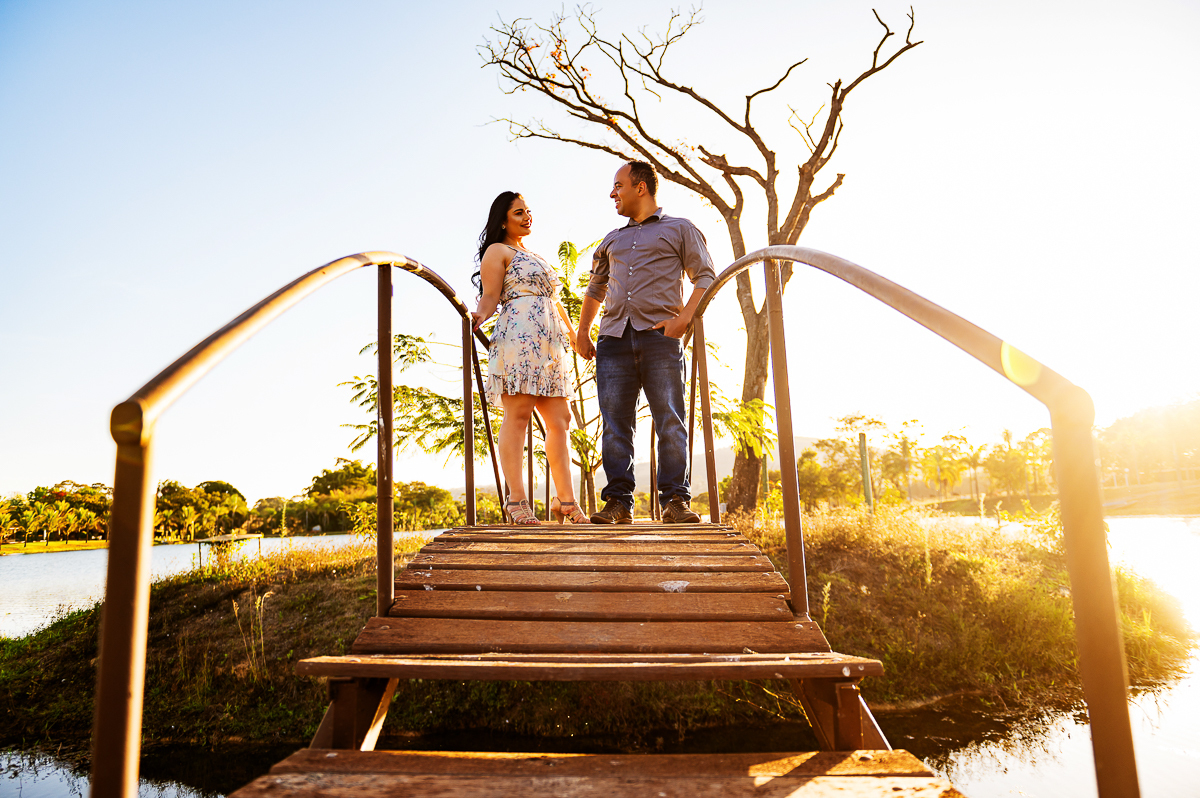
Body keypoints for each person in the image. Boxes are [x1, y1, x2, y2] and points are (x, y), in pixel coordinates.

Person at [575, 161, 717, 524]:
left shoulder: (681, 229)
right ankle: (619, 503)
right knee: (614, 424)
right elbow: (596, 287)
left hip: (660, 339)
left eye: (618, 186)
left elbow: (705, 276)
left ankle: (675, 501)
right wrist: (583, 331)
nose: (612, 194)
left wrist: (683, 319)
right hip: (614, 340)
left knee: (670, 419)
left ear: (641, 188)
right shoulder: (611, 239)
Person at [471, 191, 589, 525]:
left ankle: (565, 501)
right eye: (519, 212)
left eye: (529, 211)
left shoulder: (534, 254)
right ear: (503, 219)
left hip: (551, 345)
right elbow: (491, 295)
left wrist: (575, 335)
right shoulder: (498, 251)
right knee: (519, 414)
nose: (527, 217)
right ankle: (517, 501)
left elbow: (556, 301)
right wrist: (478, 316)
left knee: (561, 419)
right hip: (519, 338)